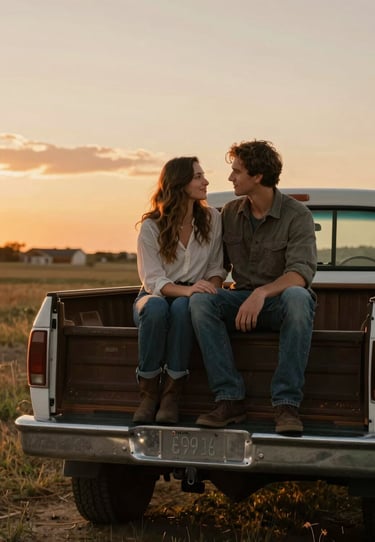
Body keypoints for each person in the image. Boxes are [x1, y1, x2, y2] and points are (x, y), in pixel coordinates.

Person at [189, 140, 317, 435]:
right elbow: (216, 266)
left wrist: (261, 293)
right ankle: (229, 399)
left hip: (279, 302)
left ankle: (286, 404)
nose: (231, 177)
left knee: (299, 297)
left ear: (257, 176)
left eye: (236, 171)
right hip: (239, 300)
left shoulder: (297, 216)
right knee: (200, 302)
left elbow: (299, 273)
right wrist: (214, 288)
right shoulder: (230, 213)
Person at [132, 156, 227, 425]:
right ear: (179, 182)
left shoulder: (212, 219)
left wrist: (209, 294)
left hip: (192, 299)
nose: (205, 181)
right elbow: (153, 281)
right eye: (198, 176)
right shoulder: (152, 226)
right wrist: (189, 291)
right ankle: (149, 394)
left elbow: (216, 268)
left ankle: (172, 394)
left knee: (187, 307)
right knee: (157, 307)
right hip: (153, 298)